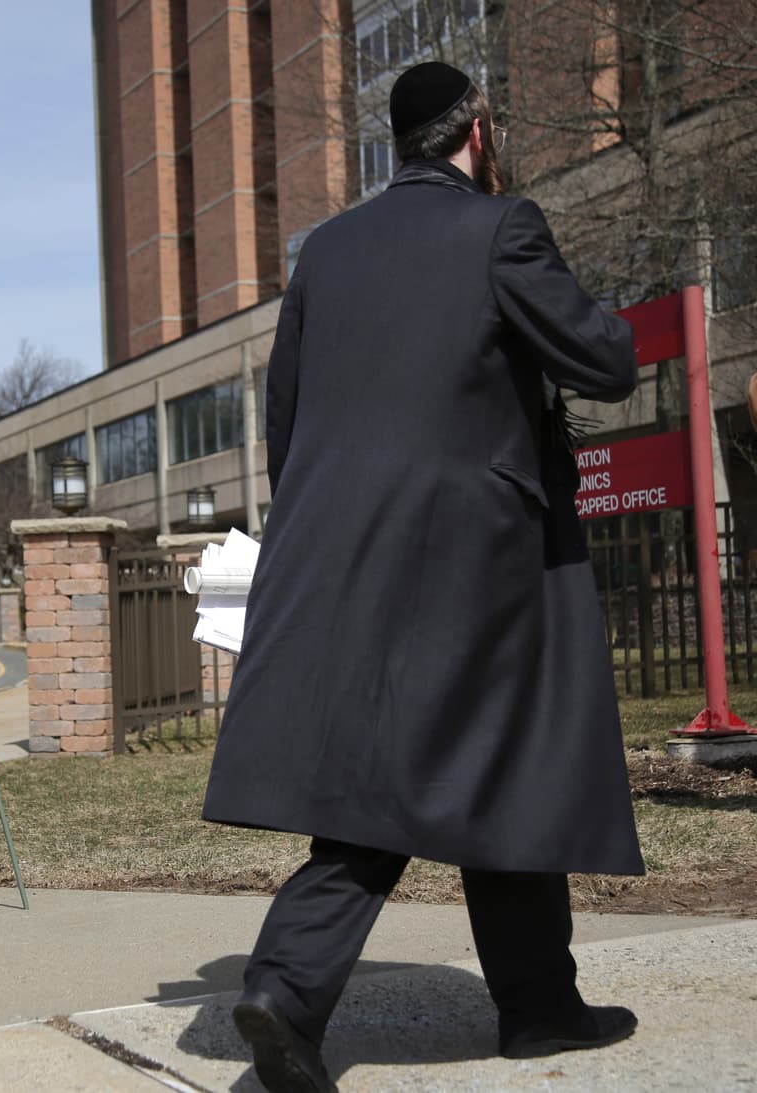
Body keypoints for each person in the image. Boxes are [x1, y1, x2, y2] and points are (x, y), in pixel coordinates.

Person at [202, 61, 644, 1093]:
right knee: (460, 758)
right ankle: (300, 985)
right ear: (476, 131)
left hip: (336, 545)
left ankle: (526, 1004)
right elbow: (600, 361)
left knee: (442, 760)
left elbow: (286, 417)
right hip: (475, 552)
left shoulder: (326, 251)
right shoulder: (500, 227)